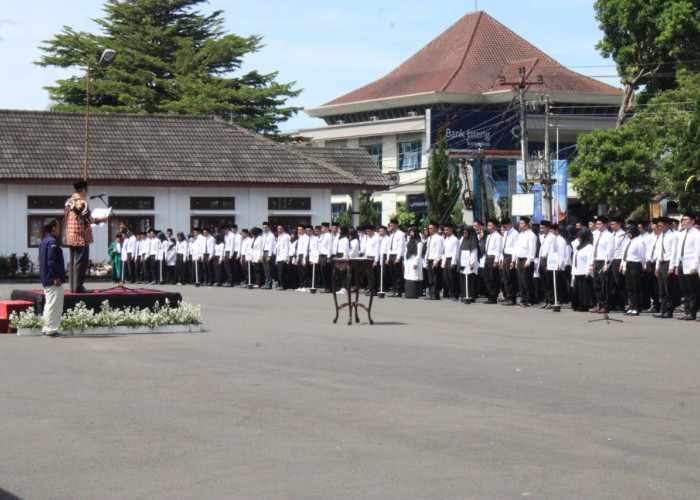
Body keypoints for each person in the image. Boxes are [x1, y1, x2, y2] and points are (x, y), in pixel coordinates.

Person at [64, 180, 108, 293]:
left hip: (70, 234)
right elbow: (87, 218)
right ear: (83, 190)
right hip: (81, 235)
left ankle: (73, 286)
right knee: (81, 263)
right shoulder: (82, 202)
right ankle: (78, 287)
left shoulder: (68, 201)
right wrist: (101, 220)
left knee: (73, 262)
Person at [39, 218, 67, 337]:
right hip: (52, 278)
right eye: (58, 226)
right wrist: (56, 276)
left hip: (46, 276)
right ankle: (51, 329)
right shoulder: (52, 242)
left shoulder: (44, 241)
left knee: (49, 303)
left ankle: (47, 327)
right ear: (54, 228)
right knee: (54, 304)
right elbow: (52, 261)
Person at [675, 213, 699, 320]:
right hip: (682, 263)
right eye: (683, 220)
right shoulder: (681, 234)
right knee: (684, 289)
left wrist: (695, 266)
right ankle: (687, 309)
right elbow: (678, 251)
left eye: (686, 219)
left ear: (693, 221)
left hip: (691, 264)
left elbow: (698, 252)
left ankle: (692, 311)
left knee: (692, 289)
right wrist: (676, 265)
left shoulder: (696, 234)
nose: (684, 222)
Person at [620, 224, 646, 316]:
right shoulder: (628, 241)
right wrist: (623, 266)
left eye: (630, 232)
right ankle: (631, 306)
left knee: (635, 287)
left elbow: (642, 255)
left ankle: (637, 307)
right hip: (628, 264)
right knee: (629, 287)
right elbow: (625, 254)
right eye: (627, 232)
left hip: (636, 264)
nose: (628, 234)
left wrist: (643, 266)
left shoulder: (639, 241)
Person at [514, 216, 538, 306]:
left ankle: (529, 299)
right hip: (519, 259)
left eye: (522, 223)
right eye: (519, 223)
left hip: (526, 259)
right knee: (520, 280)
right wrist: (516, 261)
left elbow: (532, 249)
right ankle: (523, 298)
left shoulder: (531, 235)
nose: (520, 225)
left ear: (527, 224)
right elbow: (518, 248)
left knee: (527, 281)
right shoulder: (520, 234)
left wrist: (529, 261)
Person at [571, 228, 594, 312]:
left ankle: (584, 305)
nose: (578, 239)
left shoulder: (589, 247)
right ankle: (576, 304)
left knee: (583, 290)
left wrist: (588, 271)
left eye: (580, 237)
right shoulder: (578, 247)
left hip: (584, 272)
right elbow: (575, 259)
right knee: (576, 289)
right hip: (577, 271)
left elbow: (590, 259)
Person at [459, 226, 480, 302]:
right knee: (464, 279)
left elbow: (474, 253)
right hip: (464, 263)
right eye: (464, 232)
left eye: (466, 232)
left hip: (470, 264)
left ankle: (471, 296)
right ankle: (464, 295)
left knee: (470, 280)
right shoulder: (464, 240)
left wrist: (472, 263)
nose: (464, 234)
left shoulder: (473, 241)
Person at [423, 221, 444, 300]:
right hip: (429, 259)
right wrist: (426, 261)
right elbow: (428, 250)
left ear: (436, 228)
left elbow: (439, 251)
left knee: (435, 278)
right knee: (430, 278)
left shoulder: (438, 238)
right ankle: (431, 294)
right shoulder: (429, 238)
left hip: (435, 260)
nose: (430, 230)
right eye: (429, 228)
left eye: (431, 228)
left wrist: (436, 261)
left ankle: (436, 294)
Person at [403, 227, 424, 298]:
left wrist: (416, 262)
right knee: (408, 275)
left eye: (413, 232)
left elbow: (419, 254)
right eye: (410, 232)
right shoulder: (409, 241)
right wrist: (405, 261)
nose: (411, 233)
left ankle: (415, 293)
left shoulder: (419, 242)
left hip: (415, 260)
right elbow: (406, 251)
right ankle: (408, 293)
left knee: (414, 275)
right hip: (409, 260)